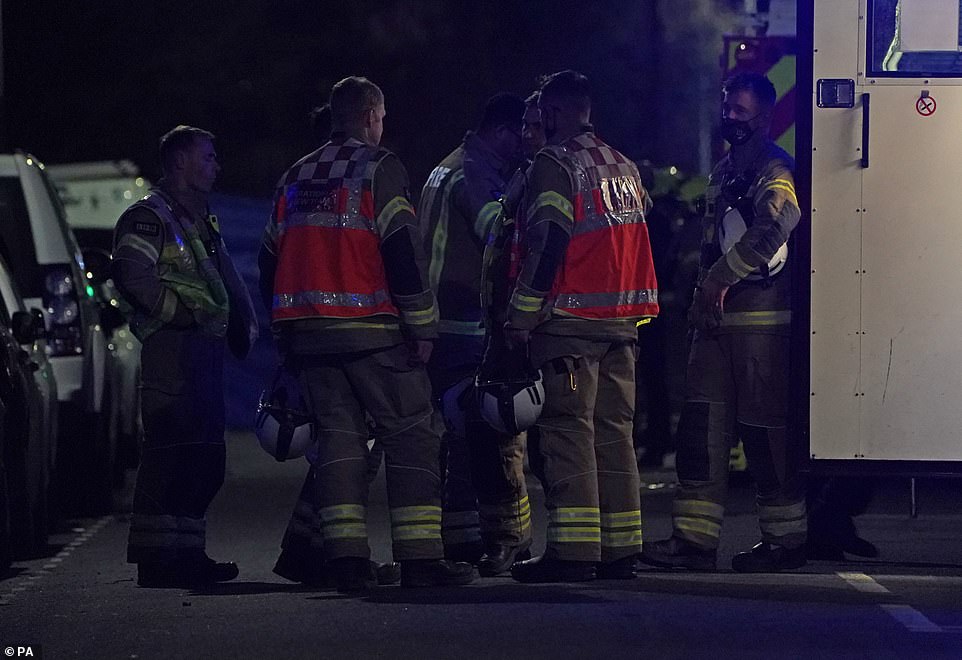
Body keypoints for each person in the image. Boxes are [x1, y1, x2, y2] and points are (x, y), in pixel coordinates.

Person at [258, 76, 475, 591]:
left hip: (312, 337)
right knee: (411, 438)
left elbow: (270, 257)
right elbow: (402, 249)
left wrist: (285, 331)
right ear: (373, 115)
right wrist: (422, 325)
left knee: (339, 446)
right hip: (375, 333)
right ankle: (421, 559)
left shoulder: (297, 173)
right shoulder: (380, 168)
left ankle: (347, 561)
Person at [641, 71, 805, 573]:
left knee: (763, 435)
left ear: (766, 116)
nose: (730, 119)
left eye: (741, 112)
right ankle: (693, 541)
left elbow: (780, 221)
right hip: (714, 329)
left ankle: (785, 541)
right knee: (700, 434)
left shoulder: (774, 170)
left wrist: (717, 279)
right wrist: (702, 299)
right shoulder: (724, 170)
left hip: (761, 329)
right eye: (727, 109)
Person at [503, 70, 659, 583]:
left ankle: (572, 552)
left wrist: (522, 314)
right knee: (615, 434)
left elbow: (547, 238)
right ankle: (621, 548)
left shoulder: (555, 163)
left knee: (569, 431)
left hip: (570, 322)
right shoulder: (624, 165)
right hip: (622, 323)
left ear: (552, 114)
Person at [115, 125, 258, 588]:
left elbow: (222, 280)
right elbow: (133, 276)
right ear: (180, 162)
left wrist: (237, 324)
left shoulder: (198, 217)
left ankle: (187, 554)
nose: (217, 166)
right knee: (171, 454)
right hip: (171, 354)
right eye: (208, 157)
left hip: (203, 354)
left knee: (203, 458)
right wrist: (182, 316)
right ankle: (158, 560)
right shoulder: (149, 217)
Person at [418, 93, 532, 576]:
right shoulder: (476, 172)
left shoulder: (445, 166)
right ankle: (509, 539)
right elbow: (499, 230)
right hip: (466, 326)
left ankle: (464, 539)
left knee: (457, 437)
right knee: (492, 430)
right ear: (503, 132)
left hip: (438, 324)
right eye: (521, 134)